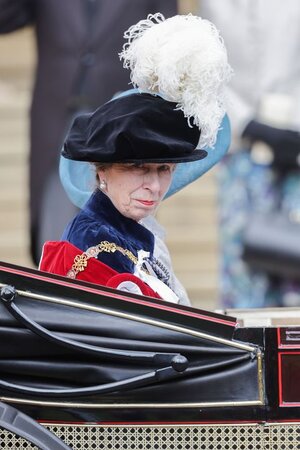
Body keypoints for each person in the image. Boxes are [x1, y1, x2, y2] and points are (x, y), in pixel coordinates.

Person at [39, 12, 232, 304]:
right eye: (138, 167)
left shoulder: (133, 233)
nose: (154, 186)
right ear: (102, 171)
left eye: (164, 168)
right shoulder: (96, 243)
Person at [0, 0, 178, 266]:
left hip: (120, 123)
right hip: (56, 115)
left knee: (121, 234)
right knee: (55, 231)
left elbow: (169, 36)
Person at [199, 0, 300, 308]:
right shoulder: (213, 5)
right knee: (244, 273)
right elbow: (207, 71)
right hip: (242, 150)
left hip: (297, 147)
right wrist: (246, 123)